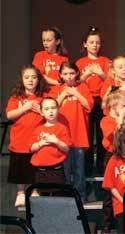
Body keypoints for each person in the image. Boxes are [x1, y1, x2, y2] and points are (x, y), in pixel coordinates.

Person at [50, 61, 93, 201]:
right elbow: (51, 108)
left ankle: (80, 196)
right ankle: (67, 196)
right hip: (62, 136)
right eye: (65, 74)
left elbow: (89, 106)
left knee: (79, 169)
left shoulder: (82, 87)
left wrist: (76, 93)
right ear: (61, 75)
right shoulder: (57, 89)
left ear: (77, 74)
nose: (69, 77)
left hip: (79, 135)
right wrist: (63, 95)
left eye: (72, 73)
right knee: (65, 169)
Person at [6, 65, 48, 207]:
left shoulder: (43, 97)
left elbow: (51, 115)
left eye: (34, 77)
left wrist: (41, 111)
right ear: (22, 80)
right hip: (19, 139)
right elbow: (10, 115)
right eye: (27, 77)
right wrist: (25, 107)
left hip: (37, 140)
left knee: (36, 168)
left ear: (38, 80)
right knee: (20, 167)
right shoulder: (16, 97)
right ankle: (20, 193)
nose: (30, 80)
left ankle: (35, 191)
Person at [76, 27, 110, 176]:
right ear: (85, 44)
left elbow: (111, 80)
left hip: (102, 100)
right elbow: (75, 81)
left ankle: (102, 170)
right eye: (91, 42)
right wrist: (87, 73)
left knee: (103, 135)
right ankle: (88, 171)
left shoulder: (104, 61)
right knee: (88, 136)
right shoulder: (80, 62)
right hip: (86, 101)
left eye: (97, 42)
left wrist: (101, 73)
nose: (95, 45)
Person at [100, 89, 125, 234]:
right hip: (111, 156)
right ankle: (106, 225)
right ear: (114, 106)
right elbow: (114, 137)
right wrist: (120, 120)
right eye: (124, 106)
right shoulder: (106, 120)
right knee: (109, 192)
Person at [30, 97, 71, 186]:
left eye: (53, 108)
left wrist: (57, 141)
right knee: (42, 191)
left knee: (57, 192)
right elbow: (31, 148)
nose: (50, 111)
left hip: (56, 168)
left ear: (58, 109)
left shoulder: (62, 128)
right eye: (47, 109)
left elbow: (66, 149)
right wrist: (40, 144)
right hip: (40, 169)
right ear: (42, 112)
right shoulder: (38, 129)